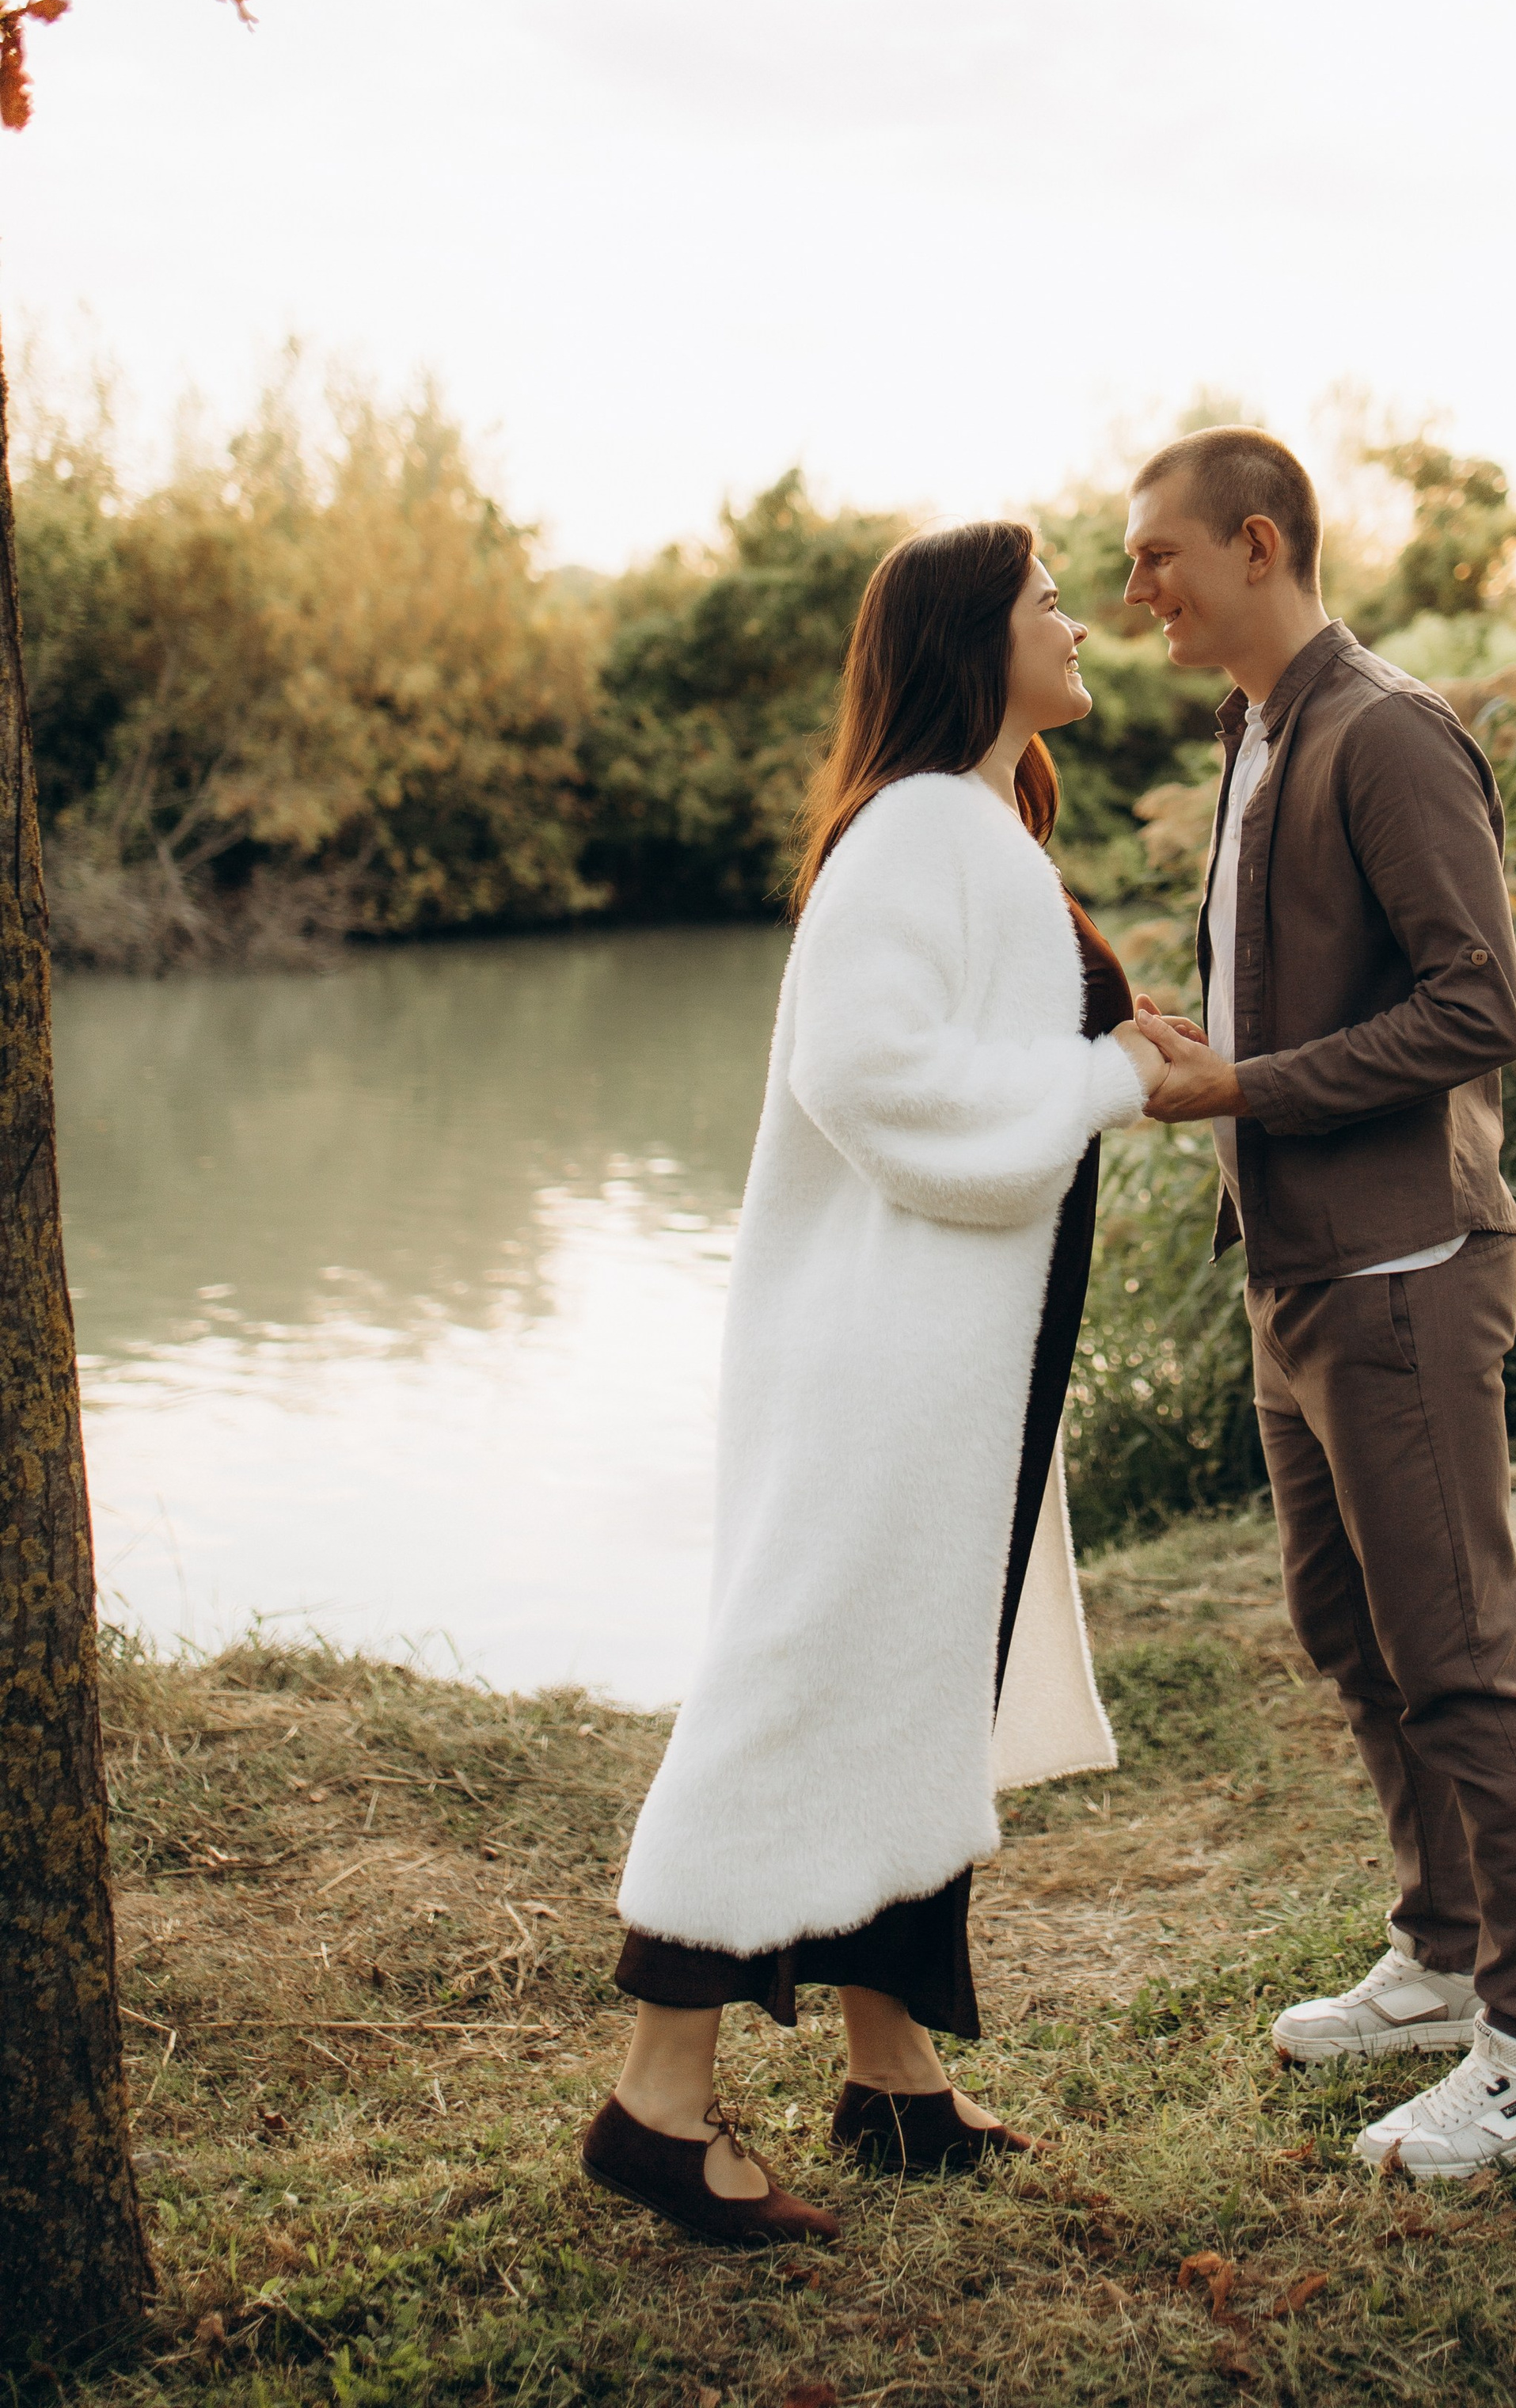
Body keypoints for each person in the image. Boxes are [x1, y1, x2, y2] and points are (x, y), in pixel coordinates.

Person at [581, 522, 1168, 2246]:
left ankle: (891, 2073)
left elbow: (989, 1057)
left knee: (915, 1686)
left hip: (953, 1350)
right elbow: (869, 1079)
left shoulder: (977, 824)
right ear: (972, 644)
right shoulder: (917, 830)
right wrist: (1102, 1085)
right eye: (1049, 600)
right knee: (798, 1680)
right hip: (885, 1359)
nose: (1076, 622)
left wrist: (1123, 1068)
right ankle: (654, 2100)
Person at [1123, 427, 1516, 2184]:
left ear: (1256, 546)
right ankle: (1439, 1953)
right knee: (1351, 1639)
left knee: (1462, 1665)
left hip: (1405, 1271)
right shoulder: (1257, 732)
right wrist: (1204, 1060)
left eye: (1159, 558)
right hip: (1292, 1273)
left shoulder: (1385, 731)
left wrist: (1239, 1092)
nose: (1136, 593)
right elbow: (1292, 1002)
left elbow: (1474, 1011)